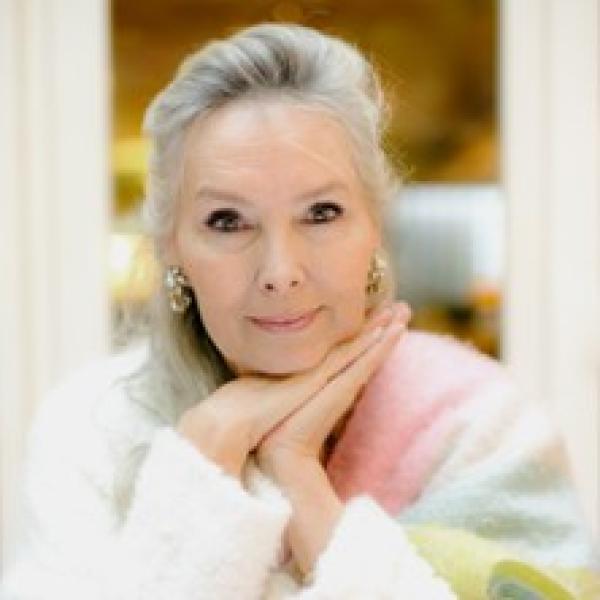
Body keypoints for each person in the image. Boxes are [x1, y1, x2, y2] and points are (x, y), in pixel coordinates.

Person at [1, 22, 599, 599]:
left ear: (374, 227)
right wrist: (211, 450)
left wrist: (297, 473)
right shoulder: (92, 427)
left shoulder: (474, 424)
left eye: (321, 213)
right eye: (227, 221)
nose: (280, 270)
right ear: (172, 246)